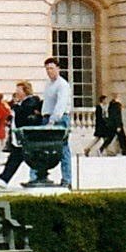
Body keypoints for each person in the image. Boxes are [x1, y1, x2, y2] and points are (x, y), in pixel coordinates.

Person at [0, 82, 42, 189]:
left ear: (25, 91)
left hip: (27, 136)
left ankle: (36, 178)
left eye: (19, 90)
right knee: (16, 158)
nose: (16, 92)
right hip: (20, 136)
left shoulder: (31, 101)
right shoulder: (23, 102)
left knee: (27, 158)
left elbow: (22, 113)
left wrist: (10, 108)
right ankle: (4, 179)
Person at [39, 58, 74, 187]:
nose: (49, 71)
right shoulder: (48, 84)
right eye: (47, 69)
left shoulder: (62, 85)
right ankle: (41, 177)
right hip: (47, 117)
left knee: (63, 149)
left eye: (51, 68)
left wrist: (52, 121)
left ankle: (67, 179)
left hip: (58, 119)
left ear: (58, 69)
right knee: (42, 149)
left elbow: (61, 105)